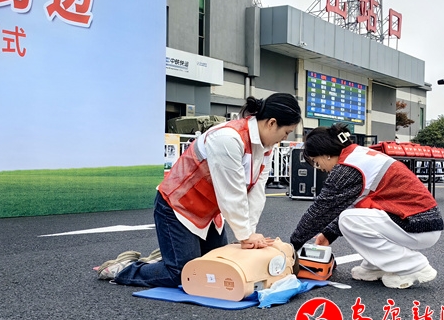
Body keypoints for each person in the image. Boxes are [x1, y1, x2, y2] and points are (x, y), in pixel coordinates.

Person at [98, 93, 302, 287]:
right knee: (182, 273)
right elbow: (232, 194)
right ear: (271, 123)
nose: (283, 139)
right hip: (177, 207)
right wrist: (246, 235)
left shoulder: (265, 148)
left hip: (209, 213)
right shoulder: (228, 138)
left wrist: (250, 233)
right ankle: (122, 269)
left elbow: (256, 192)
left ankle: (167, 255)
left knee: (216, 267)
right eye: (286, 132)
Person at [290, 123, 444, 289]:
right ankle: (377, 265)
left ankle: (413, 266)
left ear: (325, 155)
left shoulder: (346, 168)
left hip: (416, 224)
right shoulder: (358, 155)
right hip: (418, 220)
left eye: (316, 162)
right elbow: (352, 205)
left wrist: (292, 246)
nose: (319, 168)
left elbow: (320, 211)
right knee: (351, 216)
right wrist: (328, 234)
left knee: (348, 220)